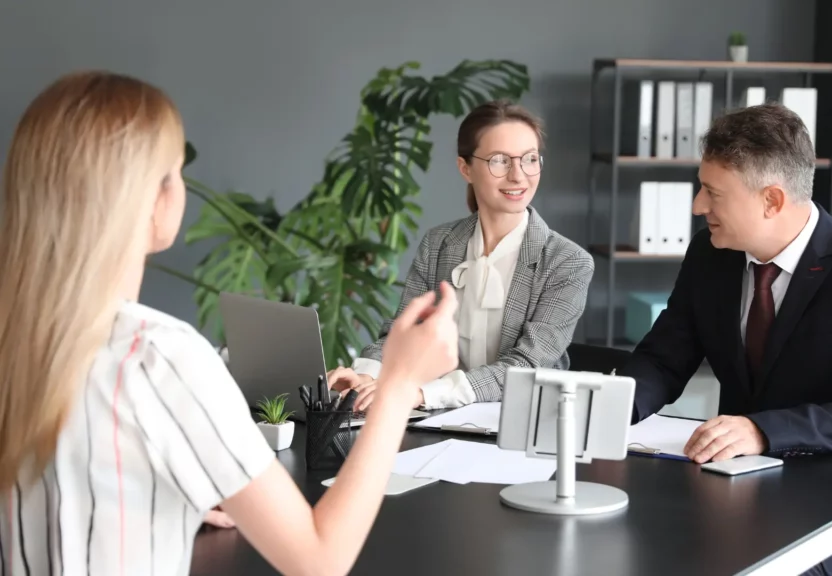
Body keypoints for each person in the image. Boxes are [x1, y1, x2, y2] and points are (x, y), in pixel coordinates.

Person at [0, 71, 459, 576]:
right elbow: (319, 561)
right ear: (152, 200)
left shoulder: (15, 341)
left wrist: (162, 499)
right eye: (174, 172)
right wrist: (397, 386)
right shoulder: (157, 357)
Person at [619, 103, 832, 576]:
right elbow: (663, 358)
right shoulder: (711, 255)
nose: (699, 206)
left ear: (772, 200)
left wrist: (765, 431)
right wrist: (606, 407)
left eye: (713, 193)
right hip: (729, 488)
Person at [328, 100, 595, 412]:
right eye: (499, 161)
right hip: (436, 419)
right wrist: (364, 376)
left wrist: (422, 394)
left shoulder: (567, 262)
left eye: (530, 159)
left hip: (522, 422)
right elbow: (402, 334)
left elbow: (527, 365)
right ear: (465, 168)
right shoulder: (438, 244)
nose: (518, 176)